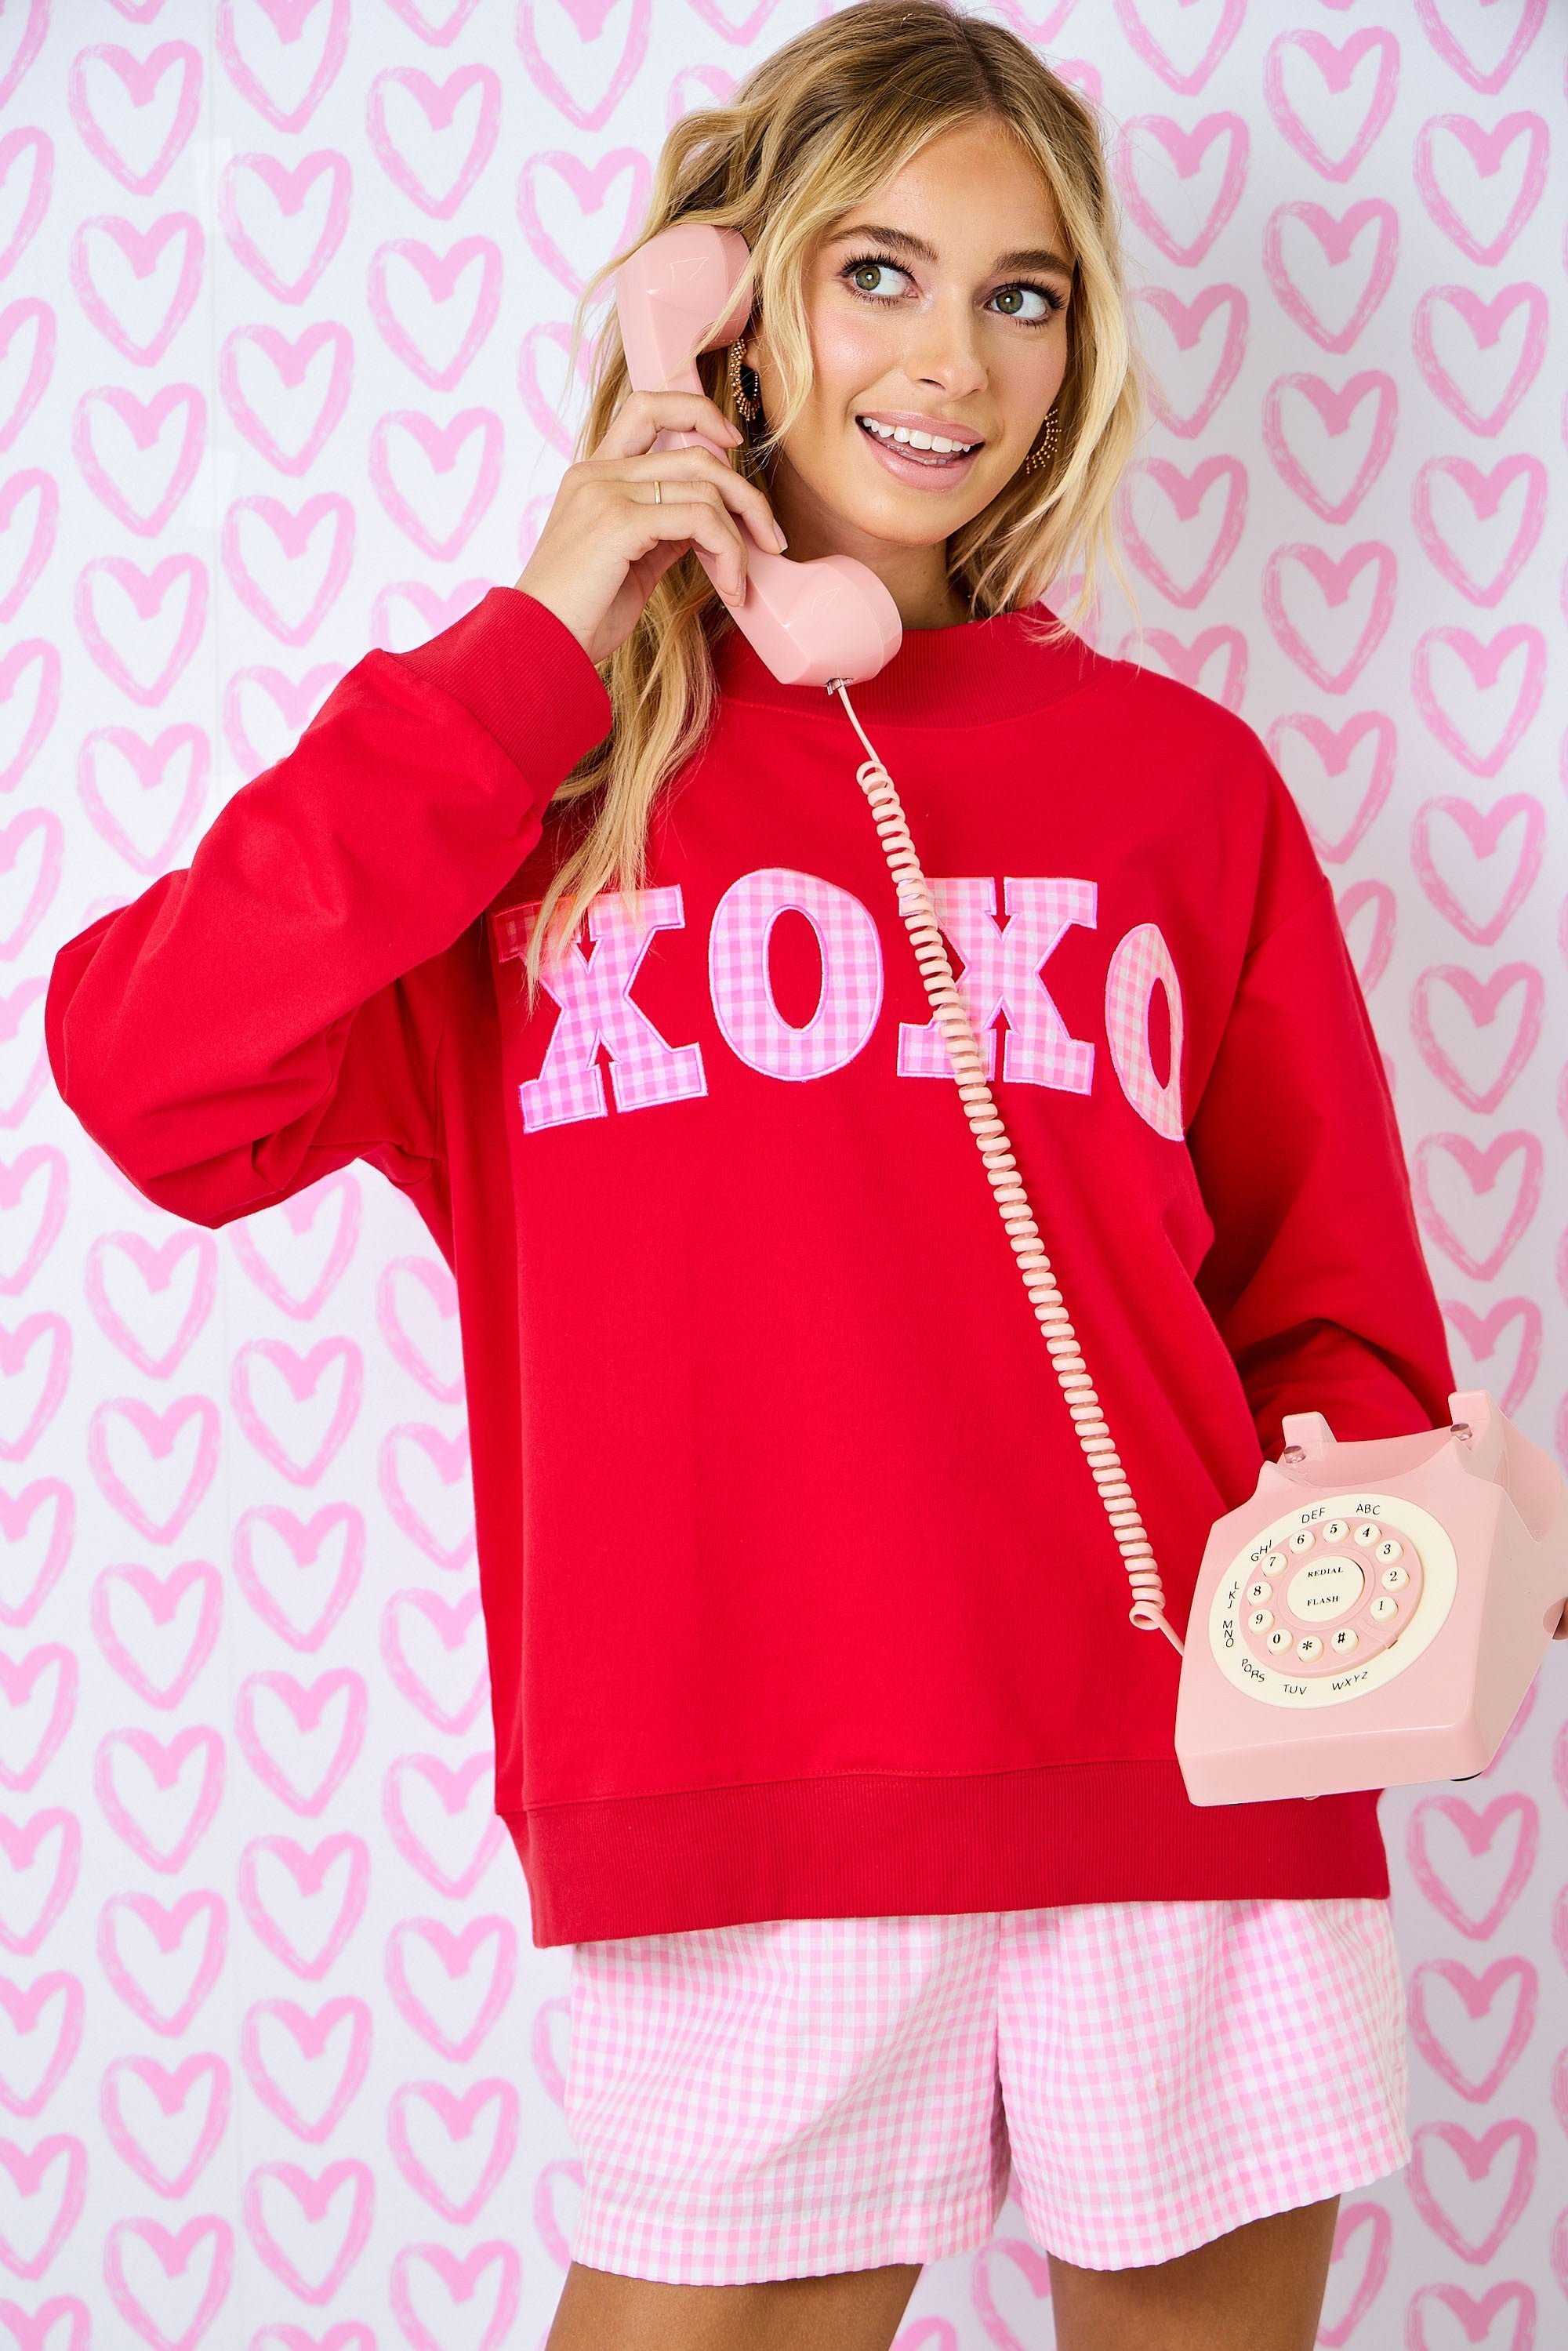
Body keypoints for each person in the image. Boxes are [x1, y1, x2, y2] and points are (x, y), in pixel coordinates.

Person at [47, 5, 1454, 2346]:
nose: (956, 358)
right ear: (717, 297)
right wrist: (540, 635)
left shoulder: (1183, 785)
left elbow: (1334, 1315)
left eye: (1023, 294)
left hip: (1196, 1793)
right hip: (746, 1801)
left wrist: (1371, 1630)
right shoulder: (527, 801)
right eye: (874, 271)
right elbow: (149, 1076)